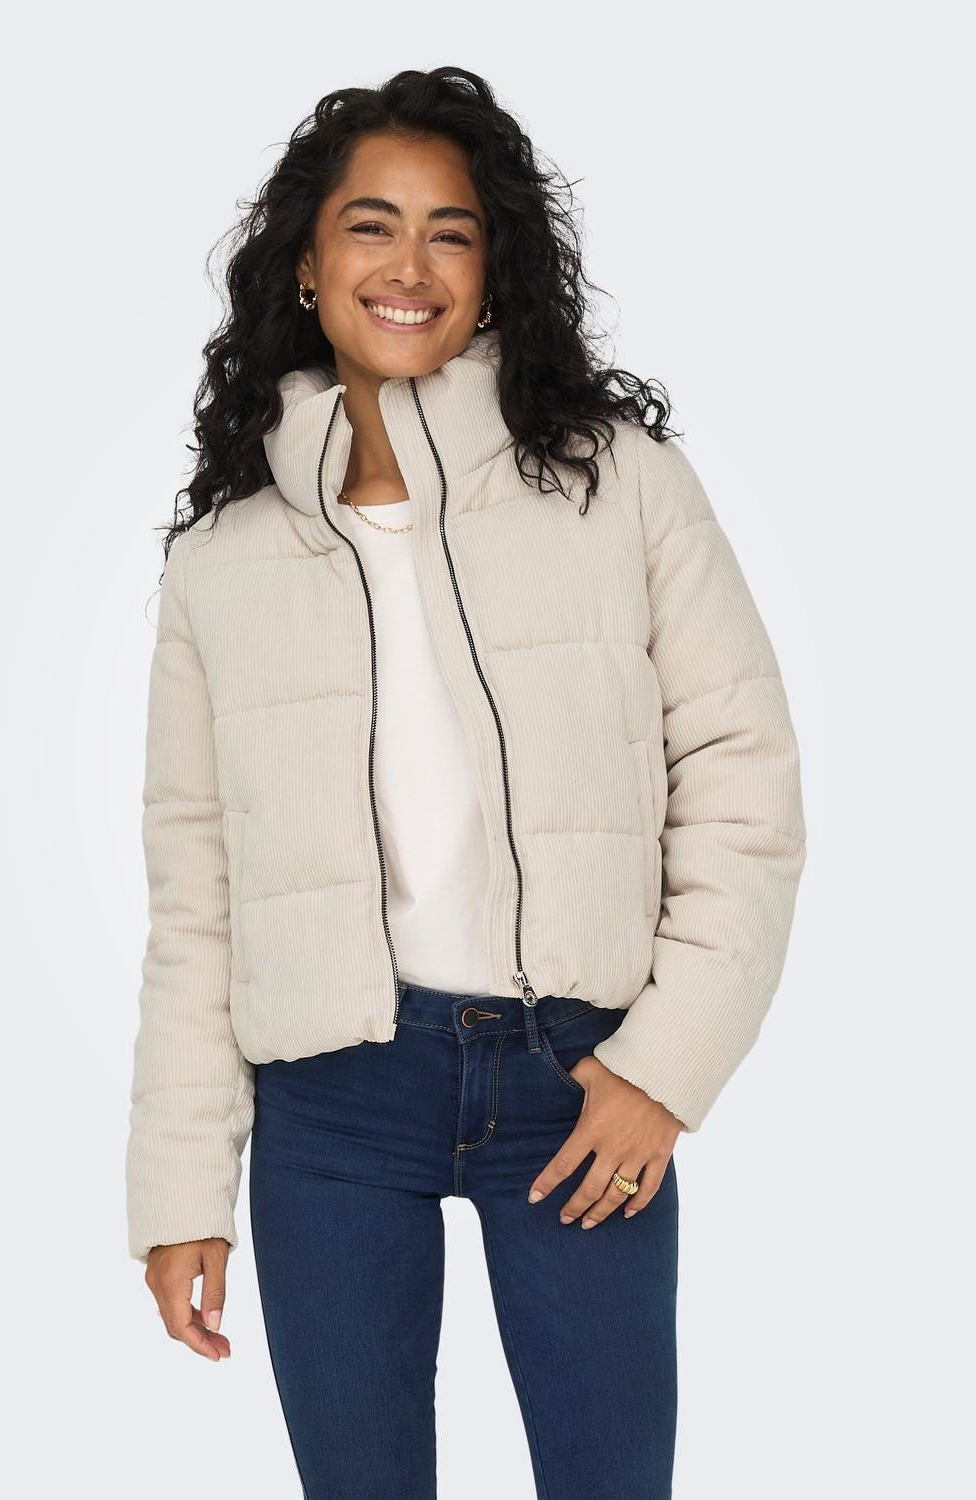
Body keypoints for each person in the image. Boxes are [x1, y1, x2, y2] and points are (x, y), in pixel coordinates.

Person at [125, 66, 807, 1500]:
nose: (410, 265)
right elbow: (197, 899)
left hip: (583, 1081)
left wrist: (664, 1069)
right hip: (330, 1108)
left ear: (495, 269)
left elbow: (741, 781)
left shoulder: (617, 483)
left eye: (453, 232)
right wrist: (182, 1188)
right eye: (370, 226)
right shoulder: (222, 560)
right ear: (307, 263)